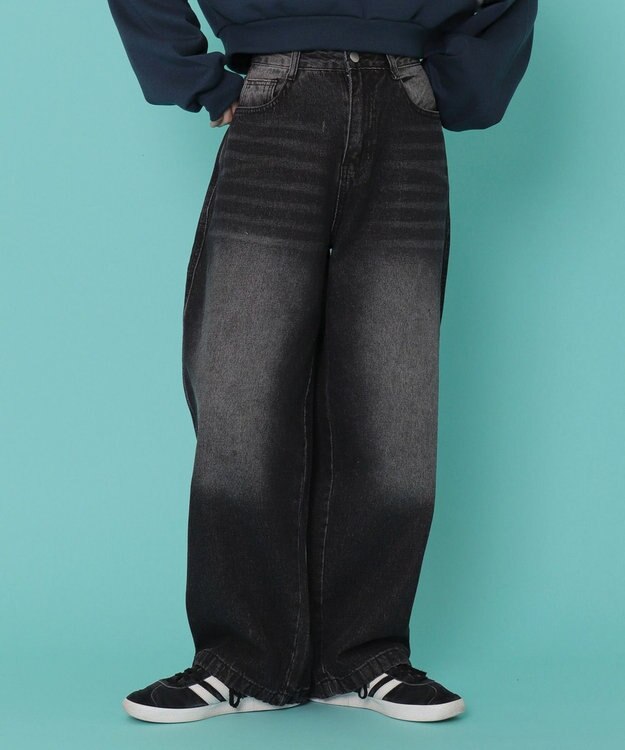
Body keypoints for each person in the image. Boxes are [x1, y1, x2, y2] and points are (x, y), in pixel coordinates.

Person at [106, 0, 538, 725]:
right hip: (277, 95)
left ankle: (364, 656)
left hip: (404, 97)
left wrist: (459, 82)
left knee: (395, 390)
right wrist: (198, 80)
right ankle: (239, 660)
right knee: (242, 386)